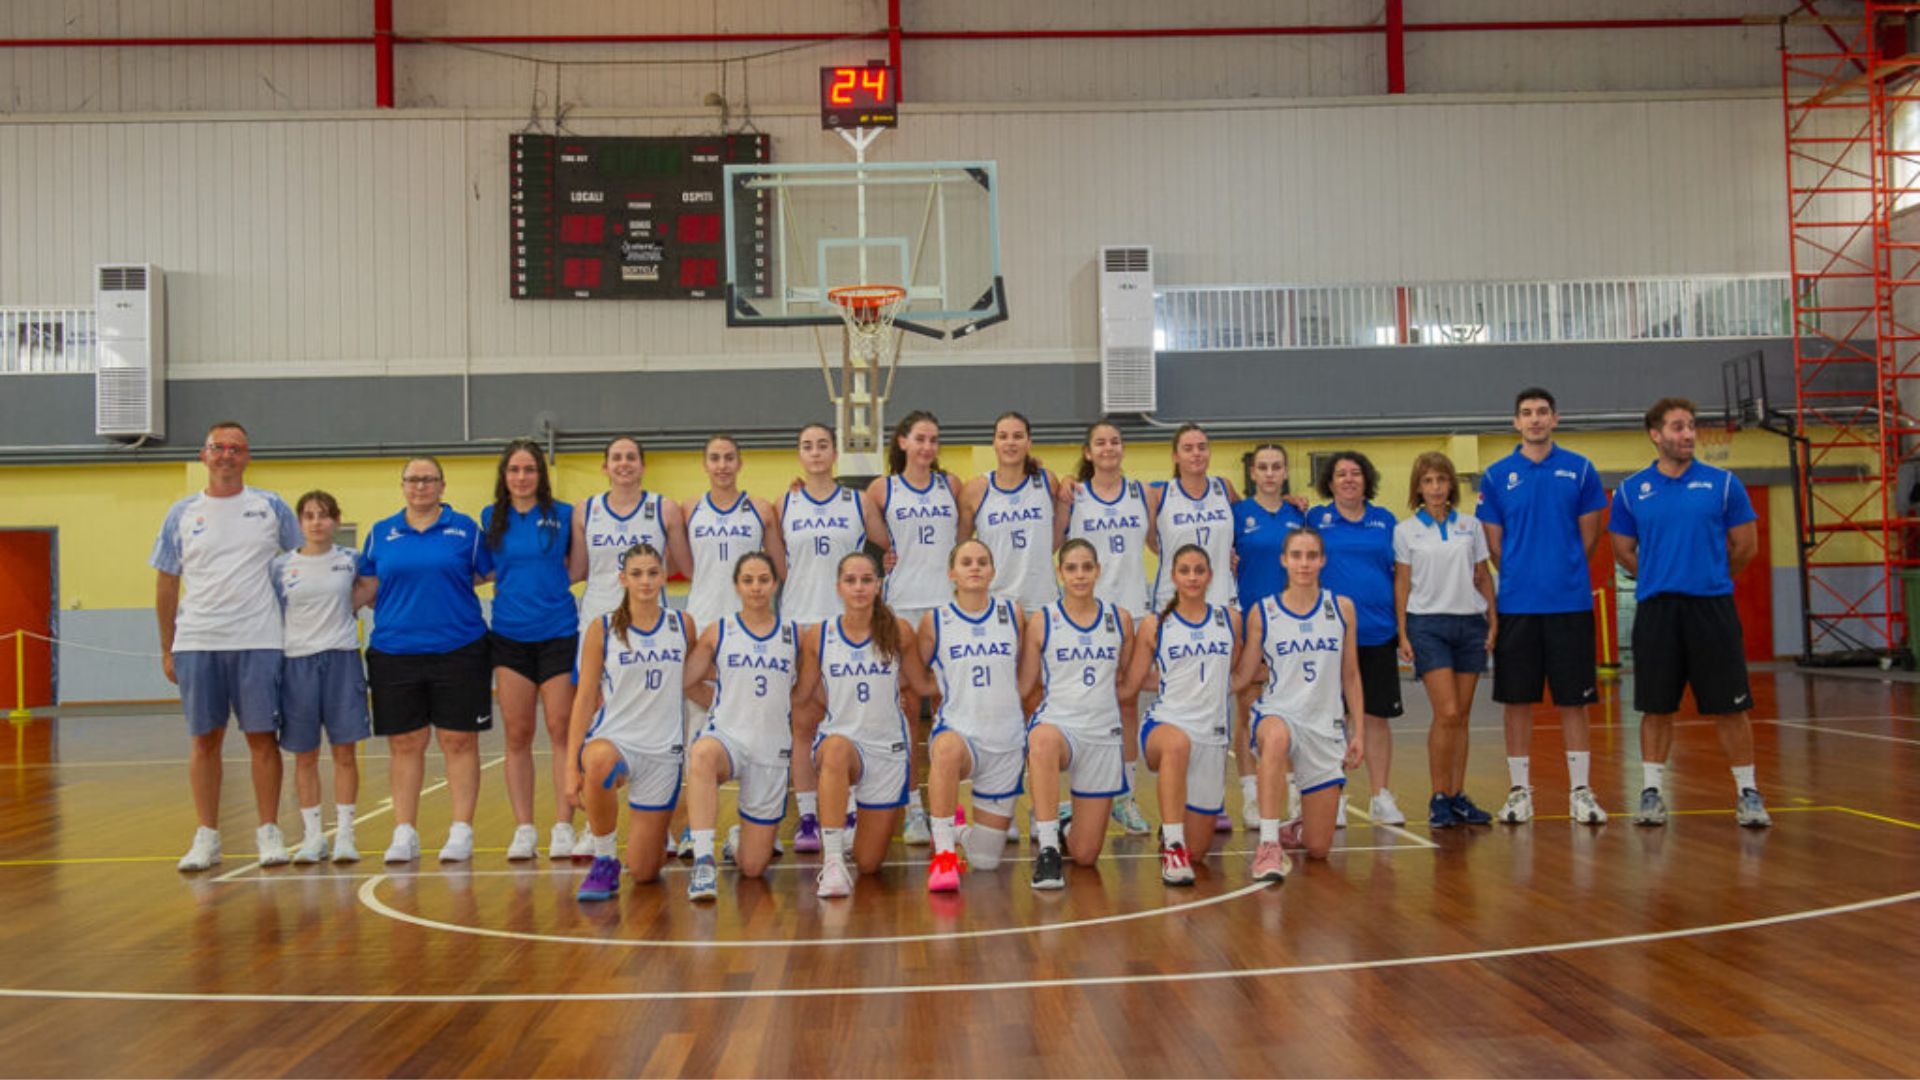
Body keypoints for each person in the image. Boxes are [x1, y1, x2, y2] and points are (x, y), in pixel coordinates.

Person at [1610, 398, 1771, 829]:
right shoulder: (1631, 491)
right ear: (1655, 434)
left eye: (1691, 426)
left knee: (1731, 707)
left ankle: (1748, 793)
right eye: (1677, 427)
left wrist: (1708, 575)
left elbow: (1745, 547)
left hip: (1711, 609)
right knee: (1656, 706)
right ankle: (1650, 793)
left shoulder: (1724, 485)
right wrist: (1661, 575)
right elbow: (1623, 551)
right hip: (1657, 612)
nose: (1688, 434)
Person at [153, 421, 302, 872]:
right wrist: (167, 647)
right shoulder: (181, 513)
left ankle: (269, 832)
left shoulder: (271, 507)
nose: (226, 455)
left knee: (262, 738)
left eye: (235, 448)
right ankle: (207, 836)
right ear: (204, 455)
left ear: (247, 457)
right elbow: (166, 582)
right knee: (204, 740)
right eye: (218, 447)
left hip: (259, 640)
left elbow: (303, 563)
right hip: (198, 641)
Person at [1475, 387, 1610, 826]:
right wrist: (1524, 574)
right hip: (1517, 606)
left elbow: (1589, 537)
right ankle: (1519, 793)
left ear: (1555, 418)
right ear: (1516, 422)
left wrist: (1560, 571)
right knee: (1516, 701)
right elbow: (1495, 546)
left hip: (1570, 604)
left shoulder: (1581, 469)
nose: (1535, 419)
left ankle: (1580, 791)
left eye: (1542, 412)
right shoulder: (1496, 475)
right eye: (1527, 413)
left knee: (1574, 701)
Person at [358, 457, 491, 864]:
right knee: (405, 743)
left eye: (428, 479)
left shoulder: (466, 530)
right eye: (413, 480)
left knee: (458, 740)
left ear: (442, 485)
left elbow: (484, 574)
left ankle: (461, 830)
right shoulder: (380, 533)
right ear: (402, 485)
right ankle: (404, 832)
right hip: (395, 651)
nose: (420, 486)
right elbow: (367, 586)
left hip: (460, 649)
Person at [793, 551, 934, 898]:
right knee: (836, 749)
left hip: (887, 751)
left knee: (869, 863)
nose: (858, 587)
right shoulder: (820, 635)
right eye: (851, 580)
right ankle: (832, 861)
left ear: (878, 585)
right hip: (842, 743)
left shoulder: (899, 631)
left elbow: (921, 684)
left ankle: (849, 832)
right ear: (838, 587)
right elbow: (802, 695)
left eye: (866, 580)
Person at [565, 543, 696, 901]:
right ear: (622, 579)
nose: (645, 581)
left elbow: (695, 680)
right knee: (598, 761)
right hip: (617, 742)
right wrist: (570, 767)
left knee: (644, 872)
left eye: (653, 573)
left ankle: (647, 846)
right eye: (636, 574)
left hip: (663, 754)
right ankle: (604, 859)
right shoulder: (603, 628)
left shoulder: (682, 624)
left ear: (664, 576)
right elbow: (584, 699)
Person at [1233, 526, 1364, 872]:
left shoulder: (1342, 608)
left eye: (1311, 556)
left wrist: (1359, 732)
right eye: (1296, 556)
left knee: (1319, 848)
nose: (1304, 563)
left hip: (1324, 724)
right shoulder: (1264, 611)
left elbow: (1351, 675)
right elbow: (1244, 675)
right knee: (1275, 737)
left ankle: (1296, 827)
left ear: (1322, 560)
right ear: (1284, 560)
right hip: (1278, 712)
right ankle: (1268, 844)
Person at [678, 433, 785, 854]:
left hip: (753, 624)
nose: (722, 465)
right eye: (715, 458)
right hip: (705, 620)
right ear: (705, 465)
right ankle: (695, 829)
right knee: (698, 725)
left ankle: (751, 824)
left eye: (729, 458)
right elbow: (685, 565)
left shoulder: (760, 509)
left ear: (740, 463)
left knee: (757, 721)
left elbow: (779, 565)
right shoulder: (689, 508)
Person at [479, 439, 581, 862]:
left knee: (561, 729)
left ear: (541, 475)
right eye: (514, 470)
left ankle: (563, 825)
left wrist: (550, 590)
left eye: (529, 469)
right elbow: (485, 570)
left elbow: (579, 566)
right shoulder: (490, 518)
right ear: (504, 477)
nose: (522, 477)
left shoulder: (565, 515)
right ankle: (524, 828)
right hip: (509, 636)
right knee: (517, 733)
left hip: (558, 632)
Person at [680, 552, 800, 900]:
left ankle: (738, 839)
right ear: (737, 586)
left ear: (774, 584)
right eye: (748, 580)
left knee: (753, 867)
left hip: (771, 750)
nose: (756, 587)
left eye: (763, 580)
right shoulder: (720, 631)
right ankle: (704, 859)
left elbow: (807, 691)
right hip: (727, 738)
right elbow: (686, 681)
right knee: (702, 754)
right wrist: (724, 702)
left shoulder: (794, 635)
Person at [863, 410, 956, 846]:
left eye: (933, 439)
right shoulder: (882, 489)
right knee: (905, 705)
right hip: (901, 604)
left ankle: (946, 806)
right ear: (902, 442)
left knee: (946, 705)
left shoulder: (951, 485)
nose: (927, 447)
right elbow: (870, 537)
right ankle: (914, 805)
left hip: (945, 606)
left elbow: (963, 535)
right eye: (920, 438)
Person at [1059, 418, 1155, 836]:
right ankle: (1078, 794)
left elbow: (1162, 541)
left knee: (1128, 702)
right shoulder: (1073, 495)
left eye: (1115, 441)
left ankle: (1125, 795)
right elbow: (1053, 541)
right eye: (1100, 442)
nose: (1109, 448)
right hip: (1086, 612)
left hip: (1132, 607)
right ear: (1088, 452)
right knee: (1081, 701)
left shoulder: (1143, 493)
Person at [1126, 544, 1242, 886]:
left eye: (1199, 570)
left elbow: (1233, 671)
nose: (1192, 577)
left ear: (1210, 576)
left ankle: (1175, 832)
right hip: (1165, 725)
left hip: (1212, 735)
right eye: (1185, 571)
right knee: (1176, 744)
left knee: (1199, 852)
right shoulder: (1155, 624)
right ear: (1173, 577)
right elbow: (1134, 682)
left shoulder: (1229, 619)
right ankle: (1173, 846)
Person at [1393, 452, 1498, 829]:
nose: (1436, 487)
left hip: (1470, 624)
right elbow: (1402, 583)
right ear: (1418, 488)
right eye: (1428, 481)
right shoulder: (1406, 531)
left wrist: (1493, 621)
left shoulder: (1471, 526)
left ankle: (1457, 795)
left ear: (1451, 484)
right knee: (1448, 712)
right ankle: (1438, 795)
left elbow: (1482, 575)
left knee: (1463, 717)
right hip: (1427, 625)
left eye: (1441, 480)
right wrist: (1403, 632)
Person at [1022, 539, 1134, 889]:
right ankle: (1048, 849)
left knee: (1086, 855)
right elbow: (1025, 684)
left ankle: (1066, 825)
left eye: (1087, 567)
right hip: (1059, 724)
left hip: (1102, 733)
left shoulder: (1120, 619)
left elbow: (1125, 679)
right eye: (1071, 568)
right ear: (1060, 573)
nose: (1080, 575)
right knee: (1041, 741)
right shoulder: (1043, 620)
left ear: (1098, 570)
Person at [777, 422, 868, 854]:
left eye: (822, 445)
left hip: (845, 624)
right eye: (807, 446)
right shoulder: (784, 503)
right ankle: (809, 815)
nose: (815, 452)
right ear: (800, 454)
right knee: (803, 721)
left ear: (835, 453)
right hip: (798, 621)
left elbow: (891, 544)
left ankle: (848, 808)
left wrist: (889, 558)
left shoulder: (858, 502)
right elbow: (777, 564)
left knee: (846, 719)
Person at [920, 539, 1029, 892]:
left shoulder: (1012, 613)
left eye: (982, 561)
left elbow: (1023, 672)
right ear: (952, 573)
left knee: (985, 860)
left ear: (993, 571)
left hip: (1006, 742)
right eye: (966, 562)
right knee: (946, 750)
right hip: (960, 731)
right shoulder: (936, 620)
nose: (975, 567)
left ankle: (959, 830)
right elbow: (917, 675)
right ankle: (945, 854)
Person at [1150, 423, 1241, 834]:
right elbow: (1150, 539)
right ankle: (1175, 797)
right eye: (1188, 448)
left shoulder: (1225, 489)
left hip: (1222, 602)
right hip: (1174, 604)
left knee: (1217, 697)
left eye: (1202, 446)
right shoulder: (1159, 494)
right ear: (1175, 455)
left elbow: (1252, 520)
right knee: (1178, 695)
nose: (1196, 454)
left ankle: (1211, 797)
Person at [271, 490, 372, 864]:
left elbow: (373, 591)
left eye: (325, 515)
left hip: (342, 659)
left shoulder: (351, 560)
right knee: (305, 755)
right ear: (300, 523)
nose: (317, 522)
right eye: (310, 516)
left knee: (345, 751)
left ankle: (345, 834)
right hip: (296, 662)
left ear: (336, 520)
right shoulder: (280, 567)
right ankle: (312, 837)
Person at [1309, 451, 1404, 826]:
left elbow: (1401, 575)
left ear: (1367, 480)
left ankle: (1381, 795)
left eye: (1355, 473)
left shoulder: (1385, 521)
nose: (1349, 479)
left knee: (1376, 717)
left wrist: (1403, 628)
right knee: (1333, 718)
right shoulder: (1315, 519)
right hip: (1330, 634)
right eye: (1341, 474)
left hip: (1378, 632)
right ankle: (1335, 796)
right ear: (1329, 483)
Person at [1230, 443, 1307, 828]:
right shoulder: (1237, 514)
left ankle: (1291, 792)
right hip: (1249, 623)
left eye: (1277, 466)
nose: (1270, 473)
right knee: (1247, 710)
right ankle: (1251, 795)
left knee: (1289, 709)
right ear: (1253, 473)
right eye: (1263, 467)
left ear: (1285, 471)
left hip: (1290, 624)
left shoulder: (1299, 514)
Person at [960, 411, 1062, 610]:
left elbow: (1061, 530)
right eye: (1003, 436)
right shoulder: (975, 490)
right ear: (994, 443)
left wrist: (1037, 554)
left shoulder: (1047, 481)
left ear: (1029, 443)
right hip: (995, 602)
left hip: (1043, 600)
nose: (1010, 443)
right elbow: (960, 547)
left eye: (1018, 436)